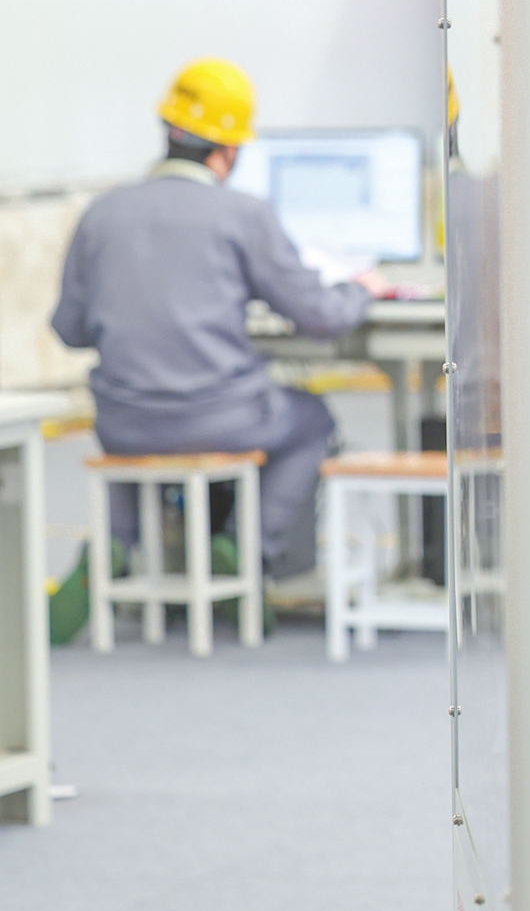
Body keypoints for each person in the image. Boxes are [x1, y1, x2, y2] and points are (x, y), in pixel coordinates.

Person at [51, 59, 385, 580]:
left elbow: (69, 330)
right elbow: (321, 316)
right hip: (221, 417)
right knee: (311, 418)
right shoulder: (243, 216)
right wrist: (359, 290)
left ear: (168, 130)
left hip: (122, 422)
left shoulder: (102, 214)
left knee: (148, 423)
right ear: (229, 152)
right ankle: (249, 549)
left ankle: (116, 546)